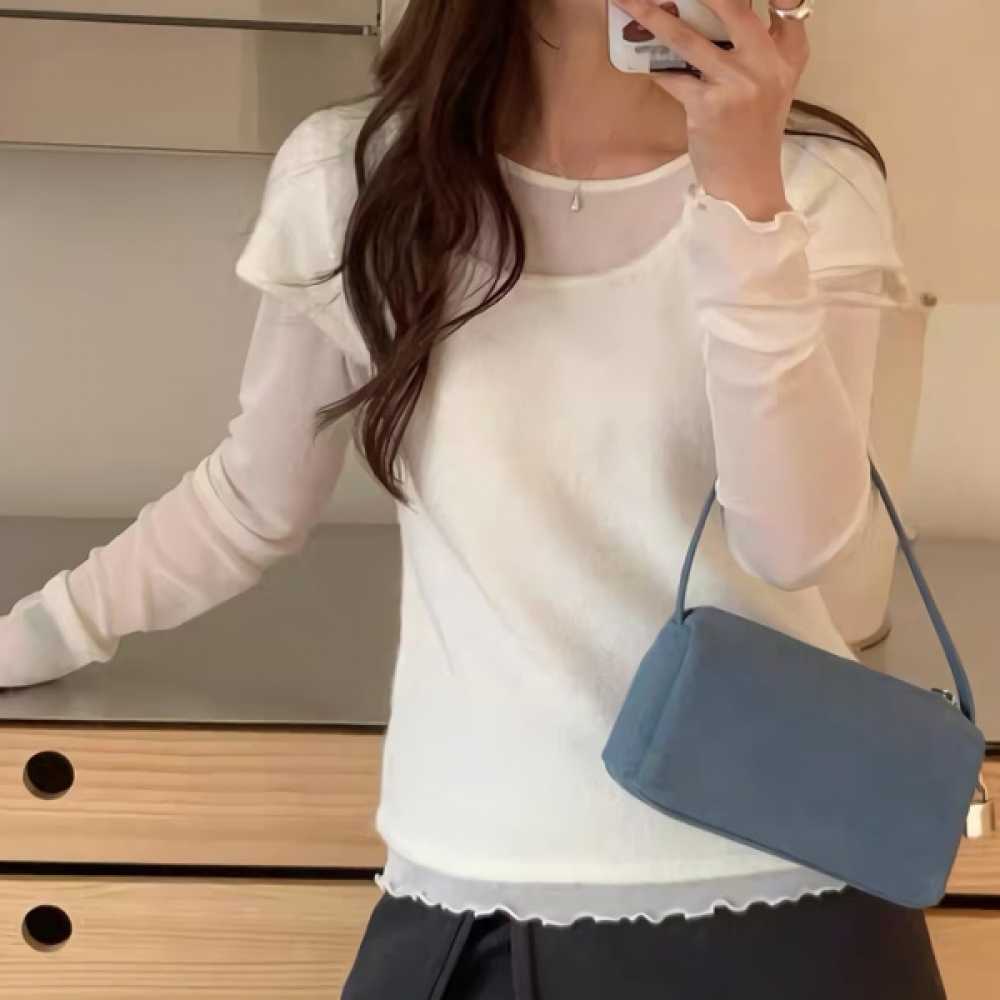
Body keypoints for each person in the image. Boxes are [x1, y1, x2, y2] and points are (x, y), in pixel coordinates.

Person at [0, 0, 946, 996]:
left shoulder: (810, 182)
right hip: (475, 886)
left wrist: (745, 199)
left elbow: (794, 545)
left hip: (791, 892)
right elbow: (250, 501)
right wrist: (31, 636)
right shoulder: (356, 178)